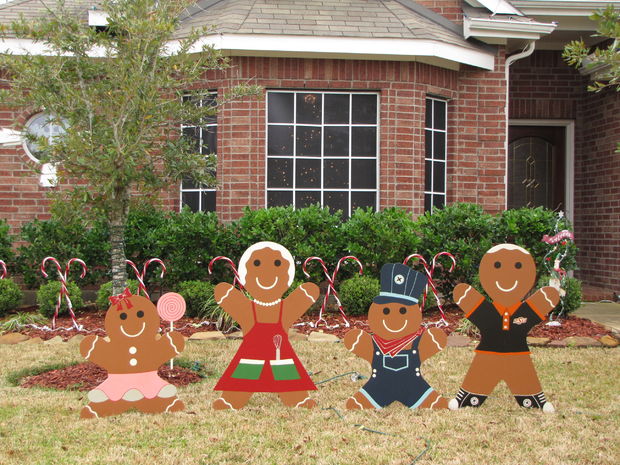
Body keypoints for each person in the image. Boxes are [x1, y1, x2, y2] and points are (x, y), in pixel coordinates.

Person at [212, 241, 320, 409]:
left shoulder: (284, 309)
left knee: (286, 374)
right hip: (252, 353)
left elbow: (302, 298)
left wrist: (305, 294)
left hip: (280, 353)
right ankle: (232, 399)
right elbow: (228, 298)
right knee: (245, 374)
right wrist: (227, 296)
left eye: (277, 264)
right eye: (257, 264)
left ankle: (297, 399)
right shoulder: (248, 310)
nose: (267, 272)